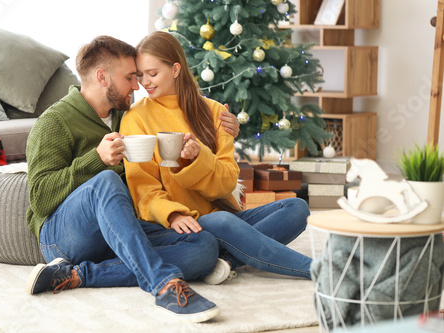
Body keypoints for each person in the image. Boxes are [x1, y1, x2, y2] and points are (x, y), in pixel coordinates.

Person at [24, 35, 240, 323]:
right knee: (106, 182)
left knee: (202, 246)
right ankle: (164, 285)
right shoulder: (55, 122)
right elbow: (40, 200)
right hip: (61, 238)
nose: (138, 86)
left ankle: (76, 276)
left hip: (116, 230)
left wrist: (227, 129)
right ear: (102, 77)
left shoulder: (123, 118)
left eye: (140, 77)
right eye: (130, 78)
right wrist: (95, 161)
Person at [120, 31, 312, 285]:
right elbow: (143, 188)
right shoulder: (135, 118)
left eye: (152, 74)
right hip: (179, 225)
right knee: (221, 221)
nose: (145, 82)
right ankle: (317, 270)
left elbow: (228, 182)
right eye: (140, 75)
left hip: (219, 216)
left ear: (176, 69)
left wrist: (200, 158)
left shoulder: (214, 112)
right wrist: (174, 215)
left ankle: (227, 261)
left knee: (297, 207)